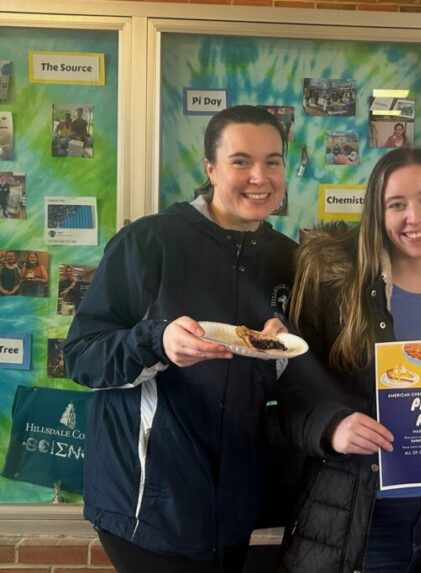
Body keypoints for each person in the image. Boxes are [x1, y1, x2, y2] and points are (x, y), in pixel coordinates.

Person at [64, 105, 298, 573]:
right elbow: (82, 357)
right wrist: (158, 342)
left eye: (272, 161)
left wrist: (280, 354)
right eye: (241, 161)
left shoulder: (288, 259)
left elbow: (274, 390)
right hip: (146, 501)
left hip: (232, 505)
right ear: (210, 168)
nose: (260, 176)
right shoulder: (149, 242)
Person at [278, 147, 421, 573]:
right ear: (377, 212)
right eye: (396, 204)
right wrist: (332, 426)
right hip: (361, 514)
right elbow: (293, 391)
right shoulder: (336, 283)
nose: (414, 217)